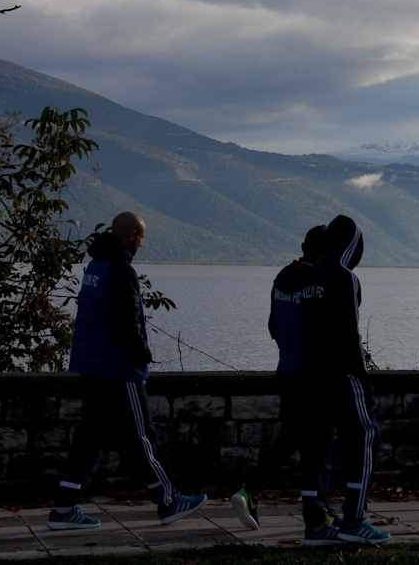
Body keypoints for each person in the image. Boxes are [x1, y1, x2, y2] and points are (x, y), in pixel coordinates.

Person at [47, 212, 207, 530]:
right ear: (132, 234)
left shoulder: (96, 265)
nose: (142, 244)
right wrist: (144, 356)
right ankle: (168, 500)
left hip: (91, 366)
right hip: (117, 368)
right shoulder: (122, 270)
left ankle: (63, 509)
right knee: (143, 436)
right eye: (142, 238)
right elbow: (126, 324)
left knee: (89, 438)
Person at [230, 224, 336, 530]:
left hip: (287, 369)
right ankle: (318, 513)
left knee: (290, 438)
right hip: (312, 375)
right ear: (327, 251)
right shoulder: (317, 280)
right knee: (318, 448)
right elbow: (323, 332)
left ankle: (248, 489)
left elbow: (274, 327)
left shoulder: (283, 277)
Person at [299, 214, 390, 545]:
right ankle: (354, 518)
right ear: (352, 245)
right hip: (343, 372)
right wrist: (361, 377)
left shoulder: (312, 277)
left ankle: (315, 524)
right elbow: (349, 332)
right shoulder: (345, 277)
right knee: (367, 437)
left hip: (314, 373)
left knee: (318, 447)